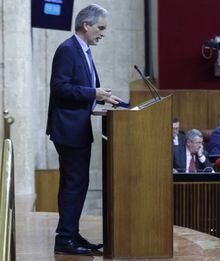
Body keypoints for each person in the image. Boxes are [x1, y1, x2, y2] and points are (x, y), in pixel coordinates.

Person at [46, 4, 123, 255]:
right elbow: (59, 88)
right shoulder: (68, 49)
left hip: (76, 129)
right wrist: (94, 93)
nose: (103, 33)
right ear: (86, 25)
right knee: (73, 183)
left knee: (77, 183)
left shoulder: (83, 50)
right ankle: (65, 238)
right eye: (100, 28)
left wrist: (102, 98)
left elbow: (81, 88)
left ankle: (72, 233)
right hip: (68, 129)